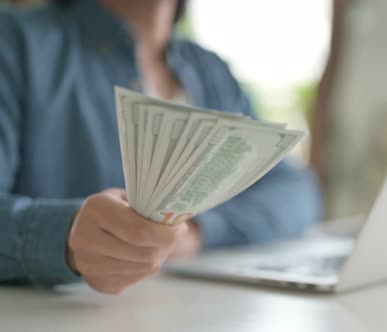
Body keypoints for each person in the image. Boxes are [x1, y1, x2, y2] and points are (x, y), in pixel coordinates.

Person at [0, 0, 321, 294]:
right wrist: (66, 238)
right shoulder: (13, 44)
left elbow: (296, 191)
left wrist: (195, 232)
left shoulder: (211, 71)